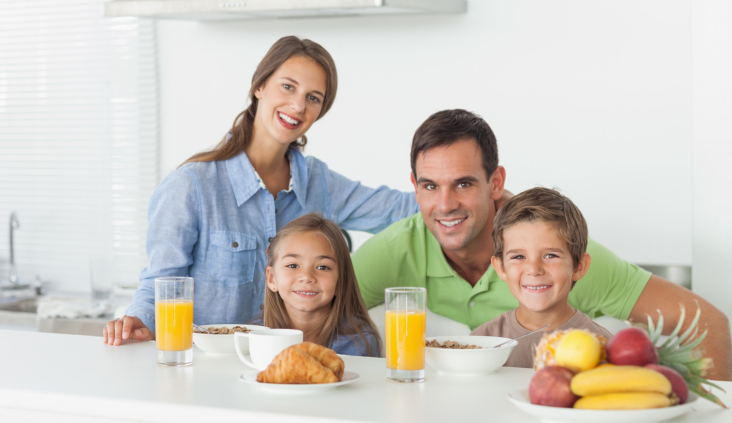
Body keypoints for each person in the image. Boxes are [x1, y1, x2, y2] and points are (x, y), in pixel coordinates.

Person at [353, 109, 732, 380]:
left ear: (496, 182)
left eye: (464, 184)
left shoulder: (559, 254)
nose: (446, 204)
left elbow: (707, 323)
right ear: (414, 186)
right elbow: (309, 300)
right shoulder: (396, 249)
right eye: (430, 186)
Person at [103, 36, 418, 346]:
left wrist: (454, 187)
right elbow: (161, 285)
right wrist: (140, 321)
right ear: (260, 86)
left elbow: (404, 209)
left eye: (313, 98)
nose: (297, 105)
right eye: (288, 86)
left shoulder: (319, 183)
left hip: (286, 374)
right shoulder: (191, 186)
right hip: (208, 371)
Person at [470, 187, 613, 368]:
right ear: (500, 267)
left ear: (579, 266)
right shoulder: (480, 343)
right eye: (518, 257)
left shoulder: (604, 349)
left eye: (550, 255)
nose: (534, 269)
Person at [252, 213, 380, 357]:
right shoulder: (251, 338)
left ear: (340, 282)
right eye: (293, 265)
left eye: (323, 267)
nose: (306, 277)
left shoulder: (358, 342)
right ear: (272, 279)